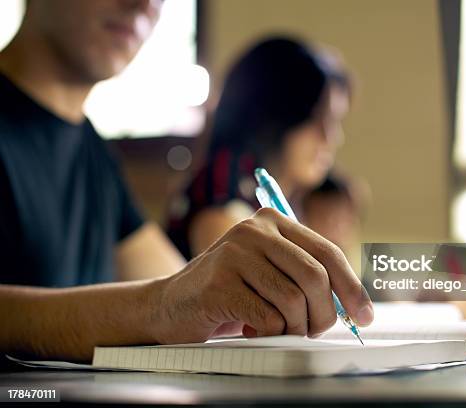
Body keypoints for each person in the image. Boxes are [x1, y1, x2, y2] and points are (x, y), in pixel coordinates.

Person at [0, 0, 373, 363]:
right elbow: (168, 300)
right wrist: (165, 304)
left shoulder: (90, 150)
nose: (144, 4)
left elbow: (180, 285)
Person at [167, 36, 353, 258]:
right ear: (275, 118)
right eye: (317, 119)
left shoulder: (290, 201)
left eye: (334, 121)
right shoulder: (225, 209)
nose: (331, 137)